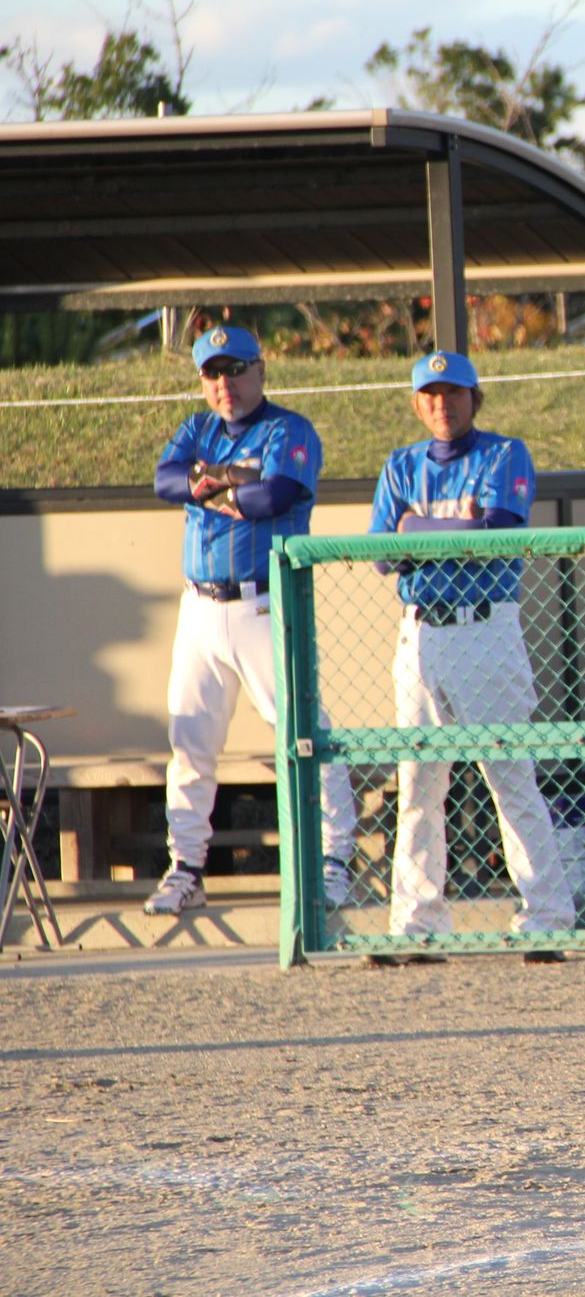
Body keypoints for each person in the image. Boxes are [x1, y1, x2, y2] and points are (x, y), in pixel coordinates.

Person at [147, 326, 358, 916]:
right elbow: (164, 481)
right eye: (213, 373)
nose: (225, 384)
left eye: (236, 369)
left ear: (261, 370)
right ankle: (187, 866)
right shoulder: (197, 427)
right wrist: (228, 483)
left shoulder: (289, 429)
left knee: (303, 731)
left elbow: (276, 496)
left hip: (266, 604)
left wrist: (204, 485)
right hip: (199, 608)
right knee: (189, 741)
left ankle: (335, 858)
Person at [369, 351, 572, 960]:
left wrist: (417, 533)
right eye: (430, 394)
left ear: (473, 398)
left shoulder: (504, 454)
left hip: (485, 628)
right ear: (416, 403)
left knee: (511, 779)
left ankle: (548, 919)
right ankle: (419, 925)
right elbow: (381, 554)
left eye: (453, 392)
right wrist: (450, 534)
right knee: (418, 787)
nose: (442, 404)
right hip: (420, 635)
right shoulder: (400, 465)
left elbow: (498, 534)